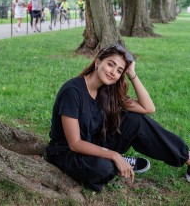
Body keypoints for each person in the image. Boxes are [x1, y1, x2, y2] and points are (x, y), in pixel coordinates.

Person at [46, 44, 190, 192]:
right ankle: (113, 161)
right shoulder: (72, 91)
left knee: (136, 120)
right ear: (97, 62)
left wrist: (132, 74)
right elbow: (75, 143)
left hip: (94, 141)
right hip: (66, 152)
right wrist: (114, 154)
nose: (113, 72)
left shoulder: (107, 92)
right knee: (103, 168)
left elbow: (148, 108)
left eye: (119, 70)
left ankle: (188, 158)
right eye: (110, 64)